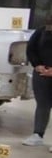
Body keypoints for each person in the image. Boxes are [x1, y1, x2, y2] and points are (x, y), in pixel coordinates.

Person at [22, 14, 52, 150]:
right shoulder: (41, 31)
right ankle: (37, 135)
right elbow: (31, 49)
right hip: (41, 73)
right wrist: (37, 65)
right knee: (42, 105)